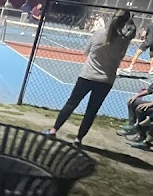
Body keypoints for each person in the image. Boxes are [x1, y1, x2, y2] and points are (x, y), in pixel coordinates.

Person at [42, 9, 135, 146]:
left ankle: (53, 130)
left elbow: (86, 52)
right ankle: (78, 139)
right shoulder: (123, 41)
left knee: (71, 103)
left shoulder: (99, 34)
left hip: (87, 76)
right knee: (91, 111)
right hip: (106, 80)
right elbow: (121, 56)